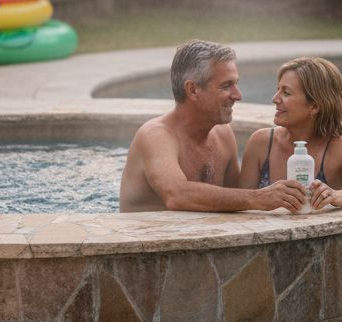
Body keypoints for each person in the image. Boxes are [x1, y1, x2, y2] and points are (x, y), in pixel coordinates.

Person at [119, 39, 307, 213]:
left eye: (236, 84)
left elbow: (237, 196)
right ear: (193, 90)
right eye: (226, 86)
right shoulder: (156, 136)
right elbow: (177, 196)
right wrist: (259, 197)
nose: (237, 95)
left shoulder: (223, 134)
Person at [239, 56, 342, 210]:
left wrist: (337, 195)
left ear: (314, 106)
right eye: (277, 89)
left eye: (286, 93)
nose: (275, 99)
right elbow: (241, 202)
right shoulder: (262, 142)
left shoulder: (337, 148)